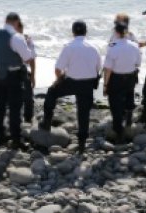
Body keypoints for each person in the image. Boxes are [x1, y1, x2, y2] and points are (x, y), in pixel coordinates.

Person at [39, 21, 102, 155]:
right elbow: (98, 68)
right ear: (86, 32)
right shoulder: (94, 47)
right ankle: (81, 144)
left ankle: (47, 121)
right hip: (87, 84)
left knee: (51, 92)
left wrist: (59, 79)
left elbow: (58, 68)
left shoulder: (69, 47)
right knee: (83, 113)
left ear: (73, 32)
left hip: (71, 82)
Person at [0, 12, 35, 149]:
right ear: (16, 22)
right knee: (15, 108)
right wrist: (30, 45)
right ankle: (16, 139)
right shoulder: (17, 37)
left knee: (0, 105)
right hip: (14, 75)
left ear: (5, 21)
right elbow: (27, 58)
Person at [103, 21, 141, 137]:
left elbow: (108, 68)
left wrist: (105, 84)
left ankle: (118, 128)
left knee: (115, 103)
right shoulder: (134, 46)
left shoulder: (112, 47)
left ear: (116, 32)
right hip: (130, 76)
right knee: (129, 96)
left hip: (116, 77)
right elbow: (138, 64)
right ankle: (129, 119)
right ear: (126, 32)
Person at [18, 21, 36, 123]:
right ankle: (27, 119)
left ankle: (27, 119)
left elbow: (32, 59)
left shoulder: (27, 40)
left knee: (28, 98)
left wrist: (33, 76)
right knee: (27, 97)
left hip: (21, 71)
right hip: (16, 71)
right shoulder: (26, 40)